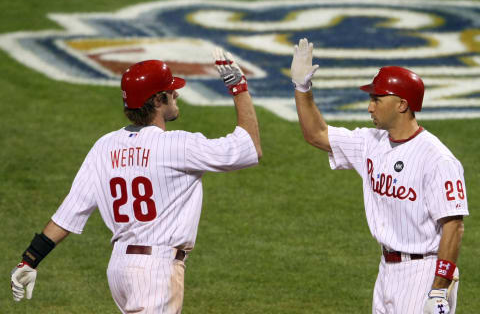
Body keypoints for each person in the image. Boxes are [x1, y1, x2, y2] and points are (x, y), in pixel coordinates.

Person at [10, 48, 262, 313]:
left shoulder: (105, 146)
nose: (175, 93)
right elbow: (250, 148)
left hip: (120, 269)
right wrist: (239, 88)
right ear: (156, 101)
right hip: (155, 270)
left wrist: (30, 259)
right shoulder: (178, 145)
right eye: (170, 91)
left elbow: (70, 212)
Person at [291, 38, 468, 314]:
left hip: (425, 272)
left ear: (401, 105)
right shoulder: (370, 142)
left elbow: (453, 226)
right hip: (387, 270)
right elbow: (317, 134)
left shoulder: (438, 159)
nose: (370, 107)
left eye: (377, 99)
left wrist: (439, 288)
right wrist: (302, 88)